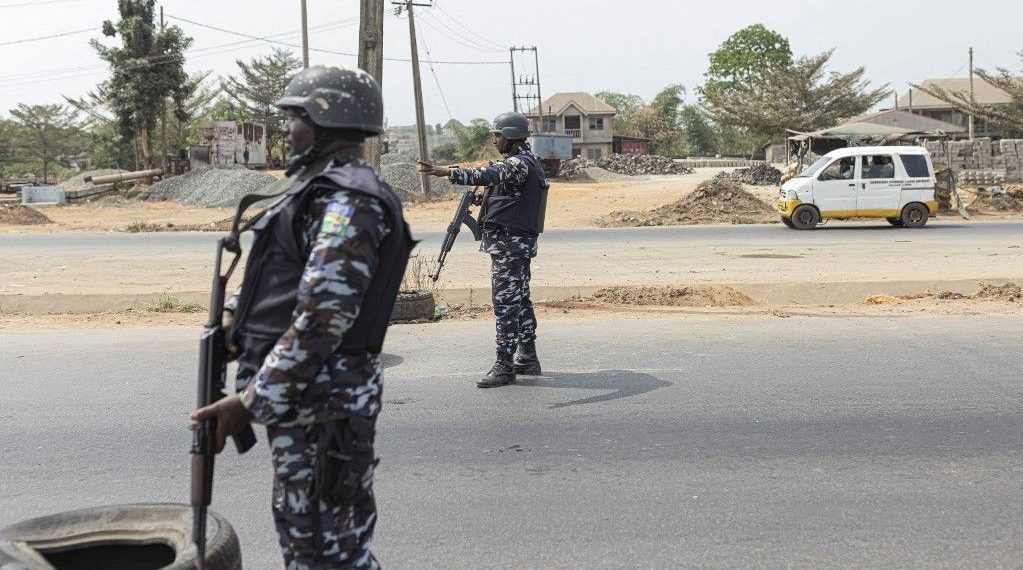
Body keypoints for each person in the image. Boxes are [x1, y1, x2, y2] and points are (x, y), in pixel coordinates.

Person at [190, 64, 414, 570]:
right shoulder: (314, 190)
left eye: (295, 118)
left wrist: (248, 402)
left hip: (323, 406)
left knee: (326, 555)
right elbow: (282, 274)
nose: (287, 131)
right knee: (315, 546)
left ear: (326, 120)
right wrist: (233, 321)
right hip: (307, 401)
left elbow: (323, 318)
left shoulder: (348, 199)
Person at [418, 111, 548, 388]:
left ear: (511, 136)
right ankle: (527, 357)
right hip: (514, 243)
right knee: (519, 300)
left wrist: (448, 172)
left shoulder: (517, 163)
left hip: (510, 245)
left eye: (498, 135)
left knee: (505, 303)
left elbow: (490, 173)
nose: (495, 140)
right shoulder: (525, 162)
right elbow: (504, 188)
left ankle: (504, 365)